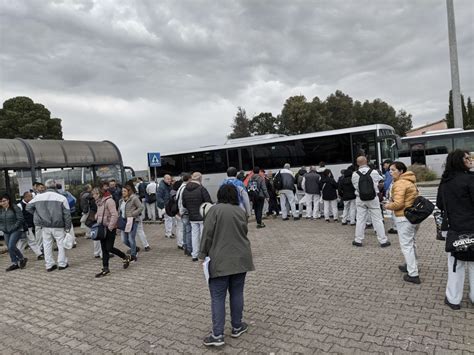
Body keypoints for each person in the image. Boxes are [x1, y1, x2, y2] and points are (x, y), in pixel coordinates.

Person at [199, 184, 255, 347]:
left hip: (220, 260)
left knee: (218, 297)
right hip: (241, 259)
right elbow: (243, 232)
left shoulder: (214, 211)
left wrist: (202, 255)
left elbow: (207, 234)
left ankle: (217, 335)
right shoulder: (241, 211)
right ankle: (237, 326)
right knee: (237, 293)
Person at [436, 150, 474, 310]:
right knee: (473, 263)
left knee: (455, 263)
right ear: (460, 161)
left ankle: (453, 299)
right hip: (471, 226)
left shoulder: (445, 181)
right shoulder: (471, 179)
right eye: (467, 158)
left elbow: (439, 204)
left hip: (453, 228)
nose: (471, 160)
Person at [384, 162, 420, 284]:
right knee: (412, 243)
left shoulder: (399, 183)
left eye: (393, 170)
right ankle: (412, 265)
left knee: (406, 246)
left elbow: (398, 204)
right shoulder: (410, 181)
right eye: (390, 170)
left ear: (401, 171)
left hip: (403, 217)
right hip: (413, 217)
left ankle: (413, 274)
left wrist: (387, 206)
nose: (390, 172)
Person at [26, 179, 72, 272]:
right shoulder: (61, 198)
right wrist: (67, 228)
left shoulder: (38, 197)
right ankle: (62, 264)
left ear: (46, 187)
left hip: (45, 225)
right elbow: (67, 214)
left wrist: (38, 215)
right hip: (58, 225)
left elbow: (28, 207)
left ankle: (49, 265)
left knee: (46, 245)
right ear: (55, 186)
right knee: (60, 244)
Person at [351, 156, 391, 248]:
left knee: (360, 219)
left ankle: (358, 240)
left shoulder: (354, 174)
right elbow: (381, 181)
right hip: (373, 198)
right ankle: (383, 241)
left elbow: (355, 186)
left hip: (360, 198)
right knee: (377, 219)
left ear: (357, 163)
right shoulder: (374, 172)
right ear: (367, 162)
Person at [92, 188, 131, 277]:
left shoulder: (109, 201)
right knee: (104, 249)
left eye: (94, 194)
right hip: (102, 228)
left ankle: (125, 257)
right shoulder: (98, 202)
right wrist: (96, 217)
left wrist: (110, 227)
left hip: (110, 228)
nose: (93, 196)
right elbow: (100, 213)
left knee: (109, 248)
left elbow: (115, 214)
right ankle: (105, 268)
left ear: (99, 194)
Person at [182, 172, 213, 261]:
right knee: (203, 235)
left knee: (194, 235)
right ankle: (203, 254)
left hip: (192, 216)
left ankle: (194, 254)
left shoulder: (185, 189)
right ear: (200, 179)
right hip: (202, 216)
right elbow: (208, 202)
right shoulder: (201, 189)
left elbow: (184, 204)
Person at [0, 194, 27, 271]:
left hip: (16, 230)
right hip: (6, 231)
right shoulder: (1, 210)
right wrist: (2, 228)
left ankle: (20, 259)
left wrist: (13, 227)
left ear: (8, 200)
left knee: (11, 246)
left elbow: (20, 219)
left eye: (4, 201)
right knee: (10, 247)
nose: (2, 203)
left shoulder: (15, 208)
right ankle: (16, 262)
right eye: (1, 201)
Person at [119, 183, 144, 261]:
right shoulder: (121, 200)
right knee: (124, 240)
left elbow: (141, 207)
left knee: (131, 238)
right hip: (123, 221)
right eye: (122, 191)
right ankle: (135, 248)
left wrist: (133, 214)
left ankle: (133, 255)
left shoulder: (134, 198)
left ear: (129, 191)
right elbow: (119, 210)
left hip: (132, 221)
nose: (123, 193)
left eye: (124, 191)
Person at [16, 191, 44, 260]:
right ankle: (39, 254)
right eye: (30, 196)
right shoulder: (19, 205)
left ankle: (18, 256)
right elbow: (18, 217)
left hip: (29, 226)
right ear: (26, 197)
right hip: (25, 227)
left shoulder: (31, 204)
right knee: (30, 241)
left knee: (23, 241)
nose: (32, 197)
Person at [177, 173, 192, 256]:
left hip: (182, 211)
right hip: (185, 212)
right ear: (189, 179)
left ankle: (185, 247)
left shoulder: (180, 187)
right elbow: (183, 201)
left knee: (185, 230)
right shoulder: (185, 188)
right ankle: (189, 249)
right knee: (188, 231)